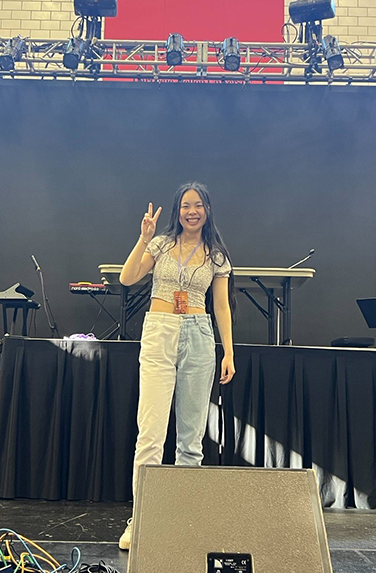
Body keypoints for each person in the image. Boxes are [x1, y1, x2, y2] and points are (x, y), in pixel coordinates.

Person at [117, 182, 235, 551]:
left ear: (208, 210)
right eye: (186, 205)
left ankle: (184, 519)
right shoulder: (161, 243)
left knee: (190, 438)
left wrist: (228, 352)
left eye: (198, 205)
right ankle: (143, 519)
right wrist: (143, 237)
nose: (192, 211)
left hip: (199, 335)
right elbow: (127, 277)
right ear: (177, 210)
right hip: (160, 331)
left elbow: (222, 306)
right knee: (150, 433)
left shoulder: (215, 254)